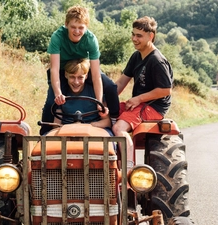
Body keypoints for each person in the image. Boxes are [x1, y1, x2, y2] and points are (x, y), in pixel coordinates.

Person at [40, 5, 119, 135]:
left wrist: (99, 102)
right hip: (62, 70)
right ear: (66, 25)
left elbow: (95, 75)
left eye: (81, 28)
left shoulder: (91, 40)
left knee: (110, 86)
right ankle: (44, 134)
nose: (77, 31)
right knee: (51, 102)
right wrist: (58, 93)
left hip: (82, 69)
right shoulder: (57, 37)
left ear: (86, 27)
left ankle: (114, 120)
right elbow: (54, 69)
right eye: (73, 27)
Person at [112, 16, 174, 169]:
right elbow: (121, 83)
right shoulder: (137, 56)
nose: (134, 39)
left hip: (153, 107)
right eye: (133, 34)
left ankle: (130, 169)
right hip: (139, 103)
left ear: (150, 36)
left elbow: (166, 90)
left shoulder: (156, 60)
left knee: (118, 128)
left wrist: (138, 99)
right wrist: (104, 102)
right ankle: (111, 162)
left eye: (139, 36)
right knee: (104, 115)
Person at [52, 58, 112, 132]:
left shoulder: (96, 92)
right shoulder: (61, 94)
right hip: (68, 132)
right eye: (72, 77)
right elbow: (56, 124)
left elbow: (107, 122)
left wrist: (87, 126)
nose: (76, 82)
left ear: (86, 76)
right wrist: (71, 128)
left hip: (93, 131)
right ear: (66, 75)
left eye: (80, 77)